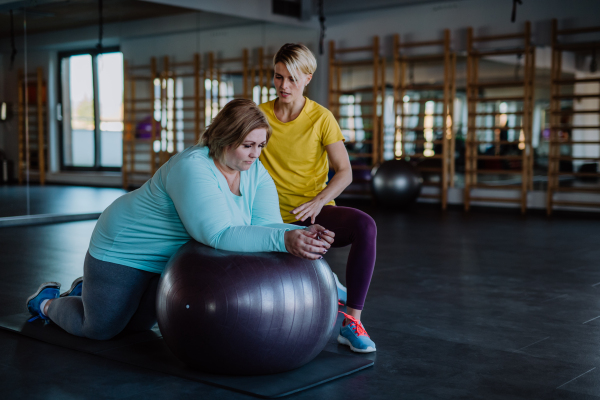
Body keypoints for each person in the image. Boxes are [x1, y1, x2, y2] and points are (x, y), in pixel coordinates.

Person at [26, 99, 334, 340]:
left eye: (261, 146)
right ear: (225, 138)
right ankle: (47, 302)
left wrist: (301, 234)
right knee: (99, 329)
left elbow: (266, 223)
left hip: (169, 259)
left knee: (135, 329)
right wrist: (285, 240)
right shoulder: (193, 167)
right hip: (125, 248)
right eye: (248, 145)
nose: (256, 155)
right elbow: (219, 235)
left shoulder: (254, 171)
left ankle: (88, 290)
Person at [259, 43, 377, 353]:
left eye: (292, 78)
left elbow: (344, 172)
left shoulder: (321, 118)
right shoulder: (258, 116)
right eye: (278, 77)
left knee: (365, 226)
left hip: (312, 211)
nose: (284, 86)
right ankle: (329, 282)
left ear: (308, 78)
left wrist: (318, 201)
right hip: (267, 217)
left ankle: (351, 321)